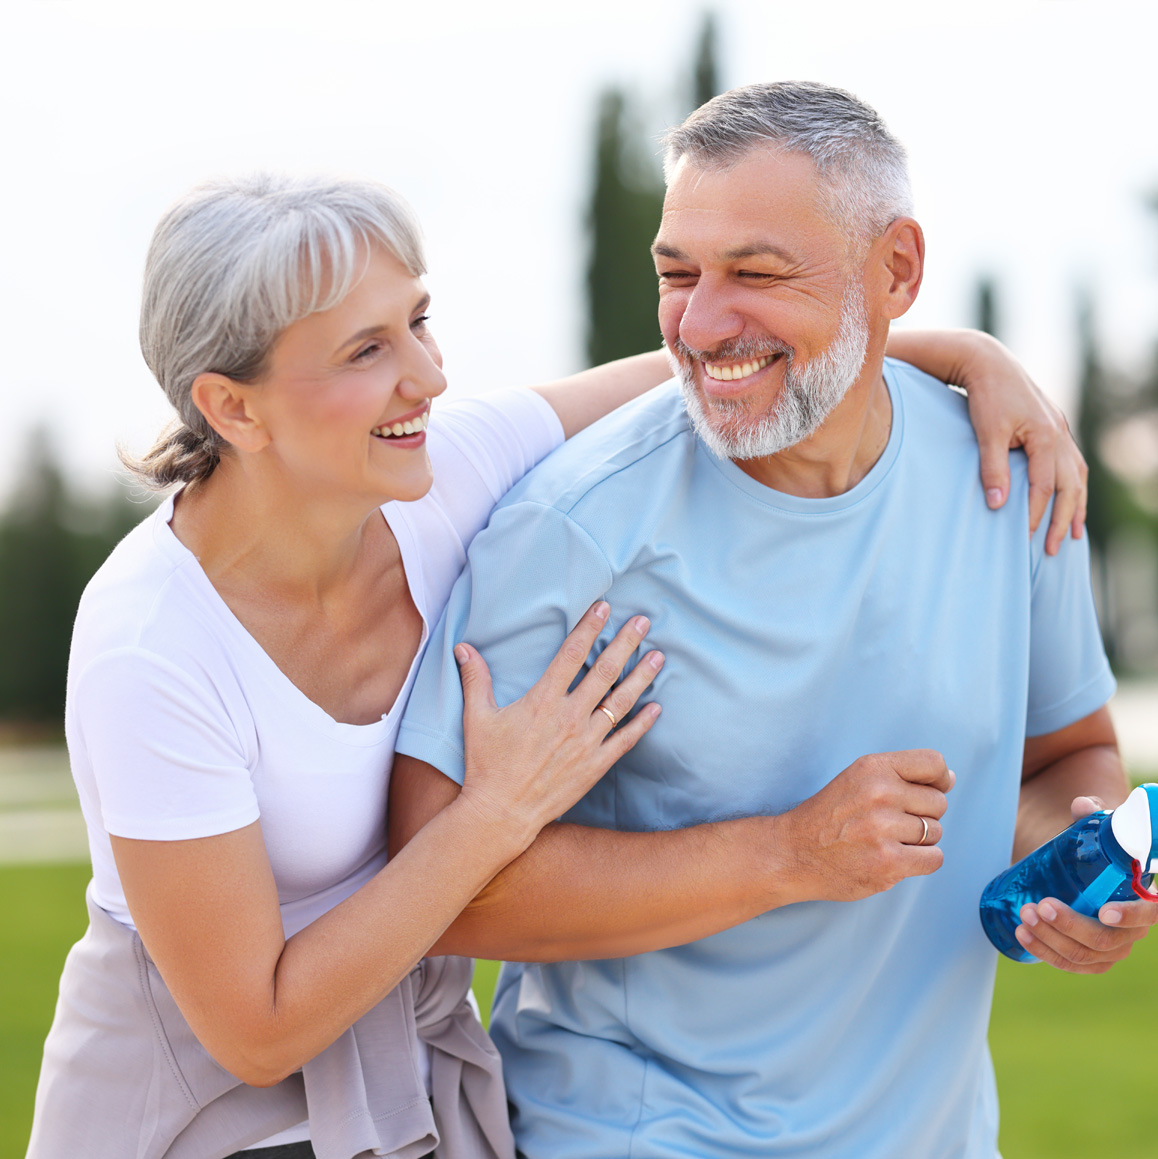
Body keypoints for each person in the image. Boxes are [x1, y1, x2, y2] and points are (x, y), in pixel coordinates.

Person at [28, 171, 1080, 1159]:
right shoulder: (150, 644)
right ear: (232, 407)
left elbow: (708, 370)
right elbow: (255, 1029)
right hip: (198, 1106)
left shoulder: (446, 465)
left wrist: (968, 355)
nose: (428, 377)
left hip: (413, 1077)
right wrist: (496, 815)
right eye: (365, 351)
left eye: (420, 321)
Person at [389, 82, 1156, 1159]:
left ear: (895, 271)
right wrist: (789, 852)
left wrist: (1079, 865)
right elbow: (438, 885)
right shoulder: (575, 530)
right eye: (676, 275)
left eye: (754, 273)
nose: (700, 325)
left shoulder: (1015, 480)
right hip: (631, 1132)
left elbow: (1067, 755)